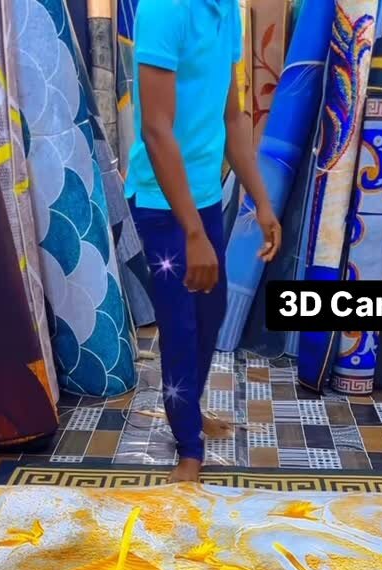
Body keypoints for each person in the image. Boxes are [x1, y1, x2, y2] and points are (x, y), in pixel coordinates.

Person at [126, 0, 282, 483]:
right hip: (162, 202)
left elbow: (232, 117)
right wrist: (192, 233)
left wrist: (262, 201)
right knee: (181, 325)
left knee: (211, 312)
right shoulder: (165, 11)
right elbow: (155, 129)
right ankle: (188, 450)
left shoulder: (226, 11)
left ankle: (187, 412)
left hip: (206, 195)